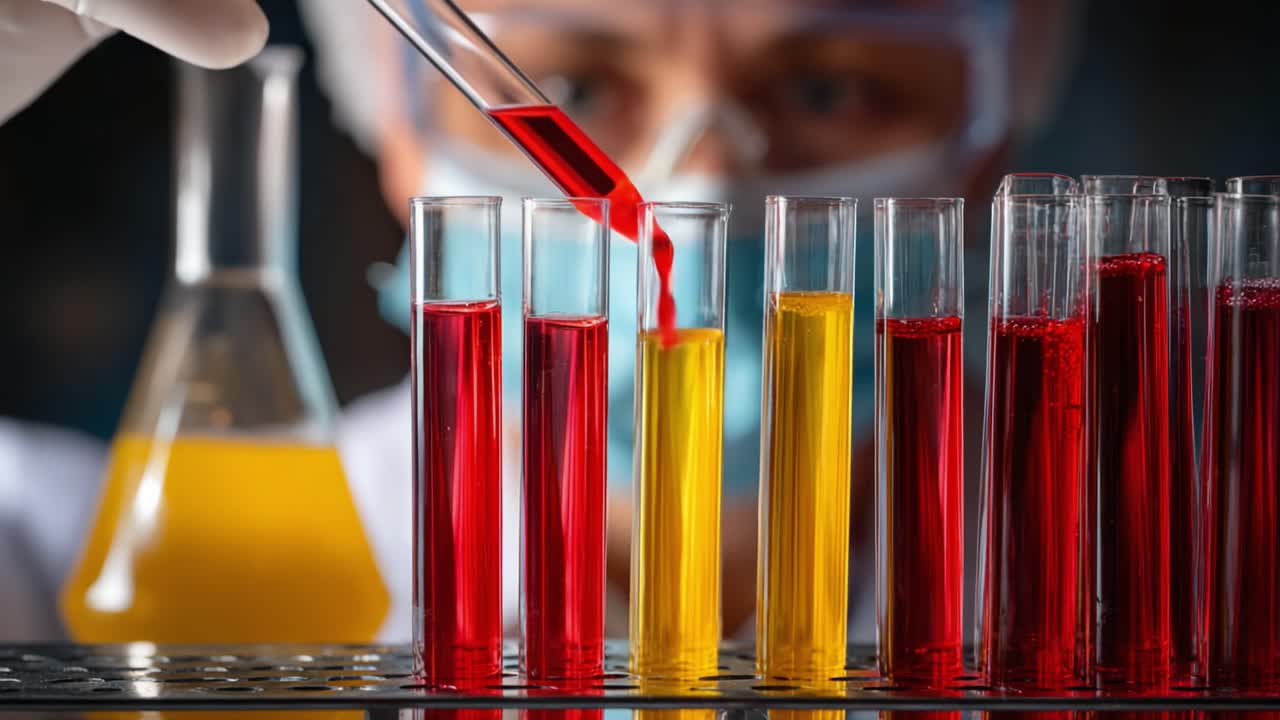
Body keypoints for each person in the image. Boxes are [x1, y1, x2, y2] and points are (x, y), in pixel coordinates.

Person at [0, 0, 1076, 644]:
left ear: (988, 153)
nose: (692, 186)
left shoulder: (1193, 585)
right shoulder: (80, 576)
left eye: (834, 90)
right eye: (571, 85)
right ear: (396, 138)